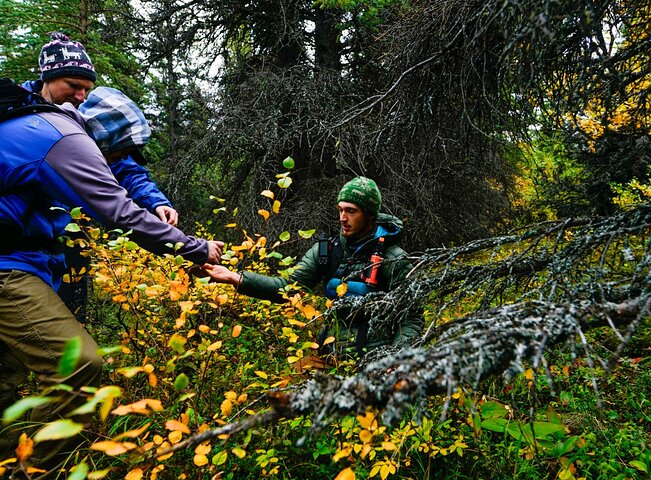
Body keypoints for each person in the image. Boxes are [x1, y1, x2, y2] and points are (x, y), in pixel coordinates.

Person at [0, 78, 224, 470]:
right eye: (120, 151)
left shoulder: (50, 123)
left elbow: (125, 170)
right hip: (8, 266)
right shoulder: (65, 139)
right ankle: (34, 472)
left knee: (5, 375)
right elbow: (118, 212)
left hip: (21, 258)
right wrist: (192, 247)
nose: (120, 160)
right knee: (78, 363)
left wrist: (154, 201)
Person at [21, 33, 179, 321]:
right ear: (48, 78)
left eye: (86, 88)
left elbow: (124, 166)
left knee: (72, 311)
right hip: (20, 241)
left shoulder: (89, 115)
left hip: (70, 233)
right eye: (73, 86)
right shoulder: (19, 114)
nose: (81, 96)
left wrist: (156, 202)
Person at [202, 176, 424, 357]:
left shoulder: (394, 259)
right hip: (329, 355)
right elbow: (287, 288)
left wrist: (396, 361)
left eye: (351, 211)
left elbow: (411, 318)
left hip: (374, 361)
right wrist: (235, 277)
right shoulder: (327, 251)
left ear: (370, 215)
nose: (343, 218)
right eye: (340, 210)